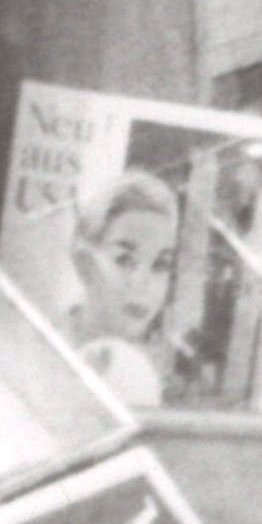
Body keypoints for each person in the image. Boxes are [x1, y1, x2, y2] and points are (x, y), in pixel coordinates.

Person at [65, 163, 189, 407]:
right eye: (124, 260)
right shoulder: (40, 350)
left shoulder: (160, 380)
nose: (142, 283)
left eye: (160, 265)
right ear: (84, 262)